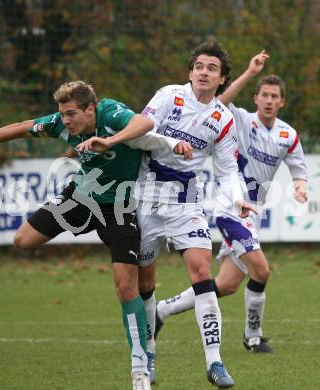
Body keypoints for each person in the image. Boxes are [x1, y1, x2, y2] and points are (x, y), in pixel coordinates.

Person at [0, 80, 192, 390]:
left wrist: (150, 142)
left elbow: (143, 126)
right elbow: (22, 126)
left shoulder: (111, 114)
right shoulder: (61, 124)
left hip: (120, 208)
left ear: (90, 109)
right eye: (63, 114)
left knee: (128, 288)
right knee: (22, 240)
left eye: (71, 114)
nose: (66, 120)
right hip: (80, 199)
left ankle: (140, 369)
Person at [77, 39, 257, 389]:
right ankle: (149, 357)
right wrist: (156, 142)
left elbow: (227, 170)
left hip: (186, 199)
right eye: (199, 66)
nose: (204, 72)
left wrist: (239, 198)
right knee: (146, 283)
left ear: (222, 79)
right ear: (190, 71)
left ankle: (215, 362)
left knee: (202, 271)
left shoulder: (222, 118)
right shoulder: (168, 96)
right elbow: (140, 132)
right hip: (145, 196)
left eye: (212, 69)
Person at [154, 51, 308, 356]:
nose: (267, 100)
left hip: (253, 214)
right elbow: (219, 102)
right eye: (263, 94)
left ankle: (161, 310)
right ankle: (253, 337)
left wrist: (301, 186)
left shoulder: (288, 135)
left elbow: (299, 171)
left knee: (225, 285)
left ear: (281, 102)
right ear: (255, 98)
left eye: (274, 96)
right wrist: (250, 72)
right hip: (230, 207)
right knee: (262, 271)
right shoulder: (240, 119)